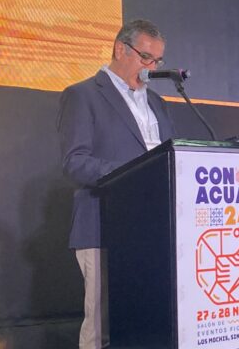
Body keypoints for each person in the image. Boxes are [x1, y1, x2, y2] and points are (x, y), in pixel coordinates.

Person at [57, 19, 175, 349]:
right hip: (104, 224)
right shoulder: (82, 95)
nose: (151, 68)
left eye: (157, 61)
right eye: (145, 57)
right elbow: (74, 162)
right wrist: (136, 171)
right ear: (120, 49)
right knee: (104, 326)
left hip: (154, 229)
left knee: (148, 320)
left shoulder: (158, 103)